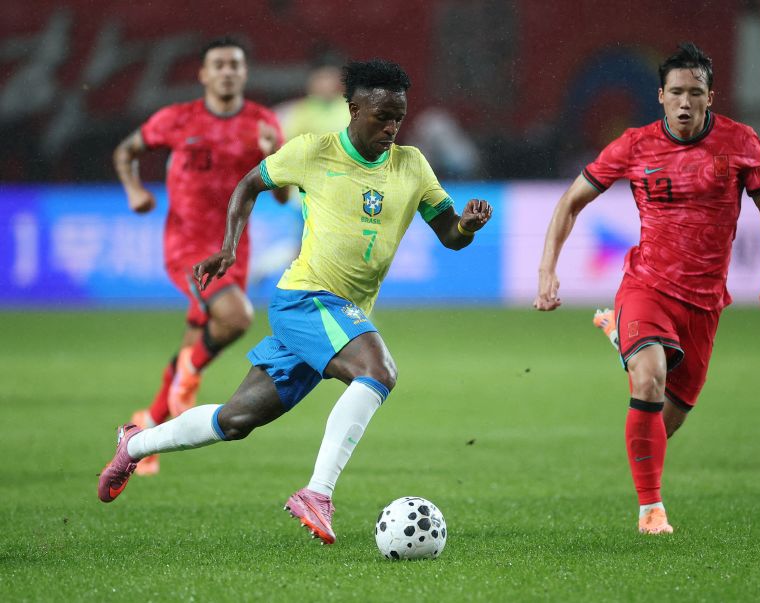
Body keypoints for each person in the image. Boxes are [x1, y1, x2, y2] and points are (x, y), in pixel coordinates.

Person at [98, 59, 493, 545]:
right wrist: (228, 248)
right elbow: (249, 185)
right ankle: (318, 494)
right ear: (353, 109)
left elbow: (448, 232)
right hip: (306, 298)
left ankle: (135, 443)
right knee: (379, 371)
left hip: (342, 314)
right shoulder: (314, 152)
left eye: (398, 117)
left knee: (236, 419)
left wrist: (467, 227)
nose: (391, 127)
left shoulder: (411, 165)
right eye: (381, 116)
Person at [534, 43, 760, 535]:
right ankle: (651, 510)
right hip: (647, 285)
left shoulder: (742, 142)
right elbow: (570, 202)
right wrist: (548, 270)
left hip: (705, 304)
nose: (685, 102)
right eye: (676, 92)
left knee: (664, 423)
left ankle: (622, 339)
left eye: (696, 93)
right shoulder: (634, 145)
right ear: (660, 95)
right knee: (648, 378)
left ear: (710, 96)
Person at [112, 37, 286, 475]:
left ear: (244, 73)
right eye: (219, 65)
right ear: (204, 74)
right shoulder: (176, 119)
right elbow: (125, 151)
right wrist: (134, 190)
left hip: (233, 250)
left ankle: (143, 431)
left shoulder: (263, 123)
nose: (227, 71)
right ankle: (187, 378)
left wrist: (271, 155)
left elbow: (283, 197)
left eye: (235, 64)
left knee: (197, 340)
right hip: (186, 245)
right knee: (236, 318)